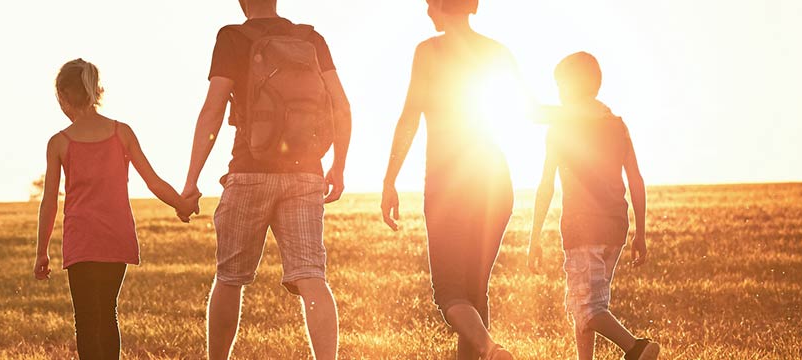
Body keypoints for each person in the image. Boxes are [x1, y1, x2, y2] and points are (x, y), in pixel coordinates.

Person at [179, 0, 353, 358]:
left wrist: (191, 180)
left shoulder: (232, 38)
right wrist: (339, 164)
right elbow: (341, 104)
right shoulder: (310, 38)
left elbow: (212, 111)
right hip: (306, 173)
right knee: (311, 276)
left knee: (230, 277)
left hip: (249, 170)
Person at [378, 0, 524, 358]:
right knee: (474, 294)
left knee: (449, 293)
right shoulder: (496, 51)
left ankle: (492, 350)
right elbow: (531, 111)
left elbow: (410, 117)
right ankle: (487, 350)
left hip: (450, 188)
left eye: (430, 3)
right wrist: (580, 117)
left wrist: (389, 180)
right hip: (495, 182)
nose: (428, 11)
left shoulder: (429, 52)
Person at [32, 59, 199, 360]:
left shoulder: (59, 142)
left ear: (63, 97)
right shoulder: (122, 133)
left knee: (85, 317)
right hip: (115, 236)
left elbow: (49, 202)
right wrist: (182, 204)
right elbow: (153, 181)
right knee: (108, 311)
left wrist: (42, 251)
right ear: (96, 90)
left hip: (81, 239)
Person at [528, 52, 661, 360]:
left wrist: (534, 238)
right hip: (616, 226)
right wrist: (640, 232)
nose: (558, 92)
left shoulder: (561, 127)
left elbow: (546, 185)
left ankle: (636, 347)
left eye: (561, 85)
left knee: (587, 308)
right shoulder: (617, 126)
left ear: (573, 86)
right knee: (587, 303)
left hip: (582, 227)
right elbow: (636, 180)